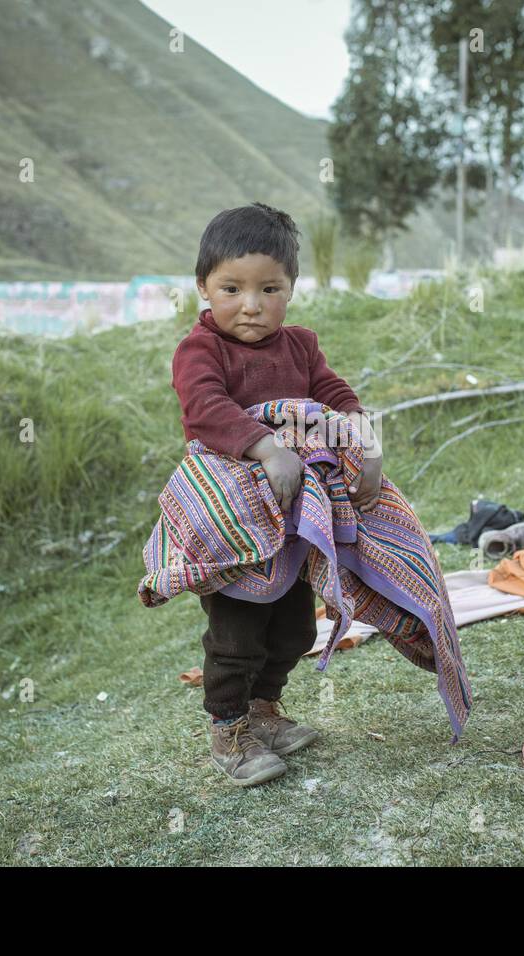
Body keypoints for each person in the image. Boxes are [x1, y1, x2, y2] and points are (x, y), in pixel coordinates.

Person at [171, 201, 383, 786]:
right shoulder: (201, 350)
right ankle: (229, 729)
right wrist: (265, 447)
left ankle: (265, 710)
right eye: (232, 288)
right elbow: (205, 408)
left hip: (290, 520)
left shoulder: (301, 346)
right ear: (204, 288)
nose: (251, 304)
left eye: (269, 288)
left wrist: (362, 436)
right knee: (238, 628)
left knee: (294, 627)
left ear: (290, 289)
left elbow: (334, 394)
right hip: (230, 517)